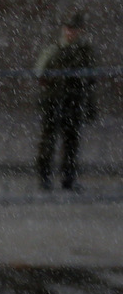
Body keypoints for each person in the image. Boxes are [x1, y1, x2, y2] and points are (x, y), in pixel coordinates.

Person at [34, 12, 97, 190]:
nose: (71, 32)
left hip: (73, 101)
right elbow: (40, 72)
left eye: (74, 29)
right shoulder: (53, 49)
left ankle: (68, 179)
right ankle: (44, 177)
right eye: (68, 28)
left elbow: (91, 77)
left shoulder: (85, 50)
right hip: (54, 100)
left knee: (71, 142)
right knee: (49, 140)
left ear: (80, 31)